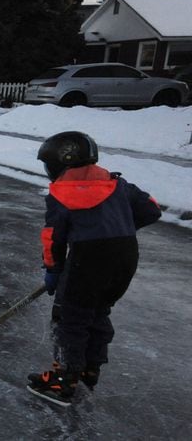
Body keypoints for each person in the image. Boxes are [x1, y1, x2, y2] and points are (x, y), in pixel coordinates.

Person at [27, 131, 161, 406]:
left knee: (69, 317)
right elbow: (151, 210)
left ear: (60, 163)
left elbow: (53, 237)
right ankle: (90, 367)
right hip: (124, 256)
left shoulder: (61, 193)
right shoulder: (118, 184)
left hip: (86, 261)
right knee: (98, 308)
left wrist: (53, 269)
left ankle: (65, 378)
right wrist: (116, 228)